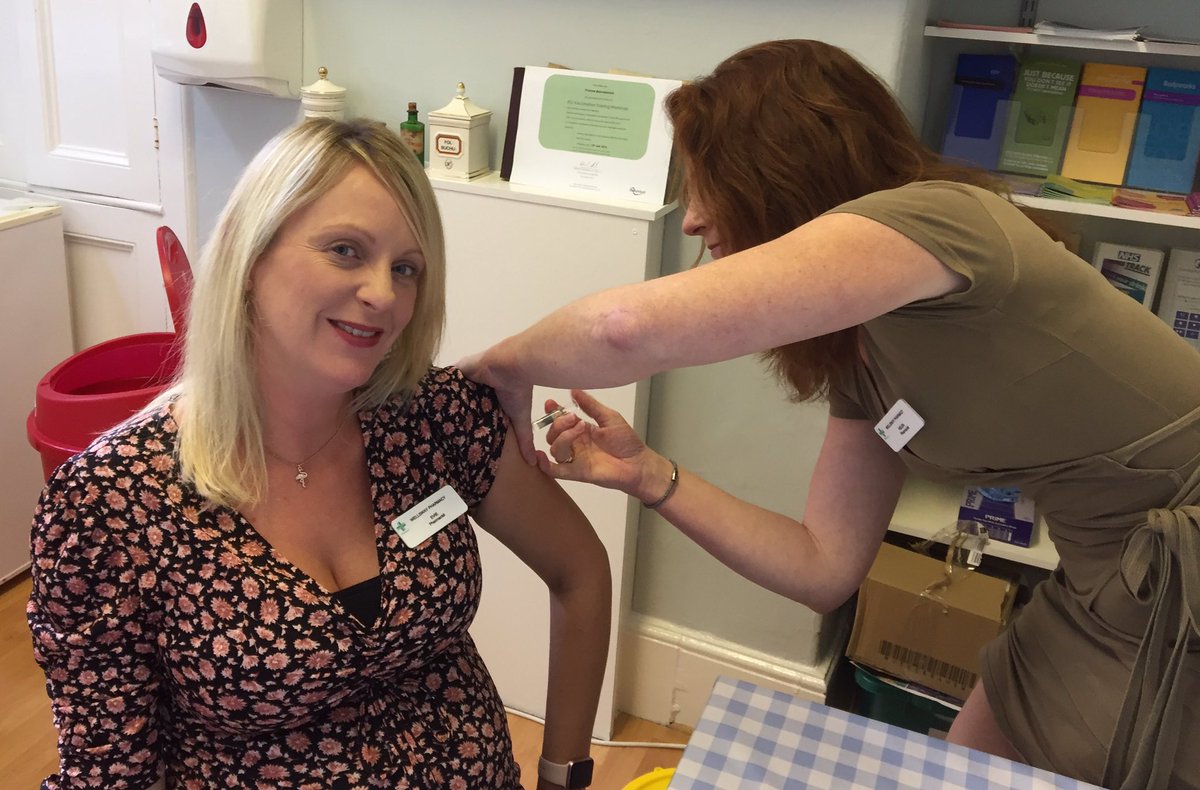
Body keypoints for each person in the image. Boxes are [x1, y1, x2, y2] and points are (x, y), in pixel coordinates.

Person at [460, 39, 1200, 790]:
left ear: (778, 170)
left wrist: (492, 367)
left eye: (704, 183)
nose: (694, 219)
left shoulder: (945, 221)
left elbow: (622, 329)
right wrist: (650, 475)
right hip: (1095, 590)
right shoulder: (868, 353)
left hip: (1182, 588)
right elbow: (823, 566)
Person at [27, 118, 611, 790]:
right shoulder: (110, 502)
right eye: (344, 250)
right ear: (251, 255)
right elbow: (111, 774)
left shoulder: (435, 418)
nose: (383, 295)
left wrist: (563, 777)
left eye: (406, 268)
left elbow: (581, 571)